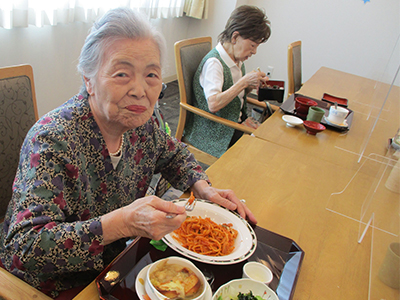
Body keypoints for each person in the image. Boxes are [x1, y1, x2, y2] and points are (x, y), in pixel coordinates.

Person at [0, 7, 256, 297]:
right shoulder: (51, 140)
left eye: (151, 75)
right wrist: (122, 223)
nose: (139, 90)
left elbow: (174, 153)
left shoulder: (140, 124)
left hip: (116, 267)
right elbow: (26, 247)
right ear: (89, 79)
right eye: (122, 73)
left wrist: (205, 188)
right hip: (52, 285)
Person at [184, 5, 271, 158]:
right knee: (263, 152)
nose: (254, 51)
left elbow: (235, 95)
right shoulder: (214, 64)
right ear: (235, 37)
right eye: (252, 45)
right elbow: (213, 104)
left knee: (272, 138)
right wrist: (243, 82)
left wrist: (250, 85)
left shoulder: (236, 60)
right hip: (214, 133)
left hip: (231, 124)